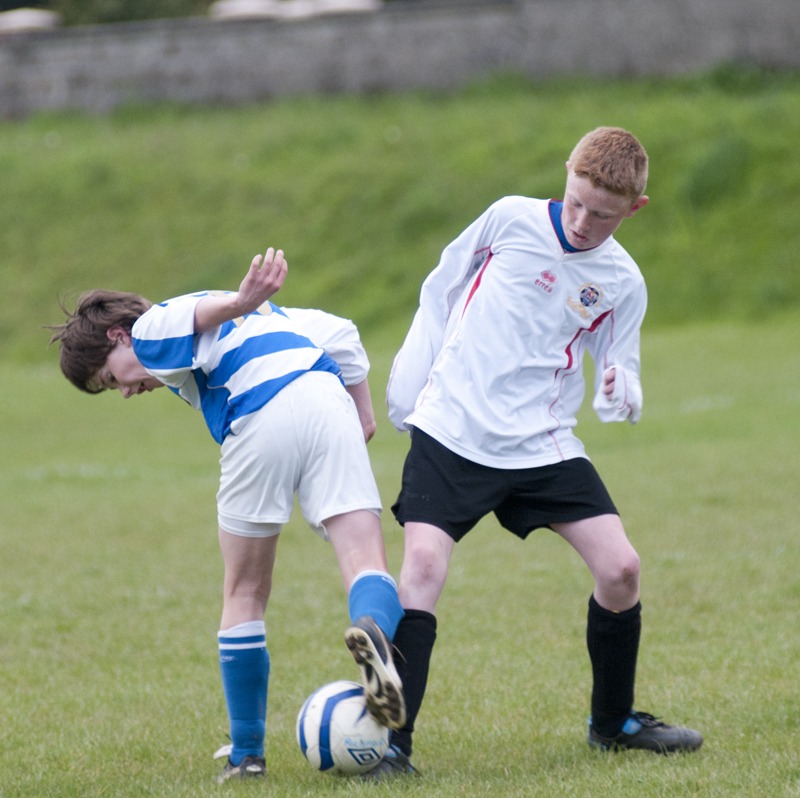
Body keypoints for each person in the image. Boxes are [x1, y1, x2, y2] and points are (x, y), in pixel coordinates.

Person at [371, 127, 703, 778]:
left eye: (601, 215)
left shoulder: (622, 282)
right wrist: (411, 385)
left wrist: (619, 389)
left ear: (634, 209)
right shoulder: (508, 219)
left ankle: (613, 725)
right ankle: (389, 745)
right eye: (575, 202)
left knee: (622, 570)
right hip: (454, 428)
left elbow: (621, 370)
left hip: (541, 441)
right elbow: (439, 288)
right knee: (423, 571)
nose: (581, 222)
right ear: (567, 178)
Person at [47, 248, 406, 783]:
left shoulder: (149, 327)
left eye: (109, 376)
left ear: (116, 337)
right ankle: (375, 629)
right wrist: (363, 413)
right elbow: (345, 336)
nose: (123, 390)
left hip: (259, 409)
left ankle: (247, 755)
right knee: (363, 556)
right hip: (324, 392)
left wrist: (237, 301)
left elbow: (187, 320)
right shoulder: (275, 318)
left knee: (244, 591)